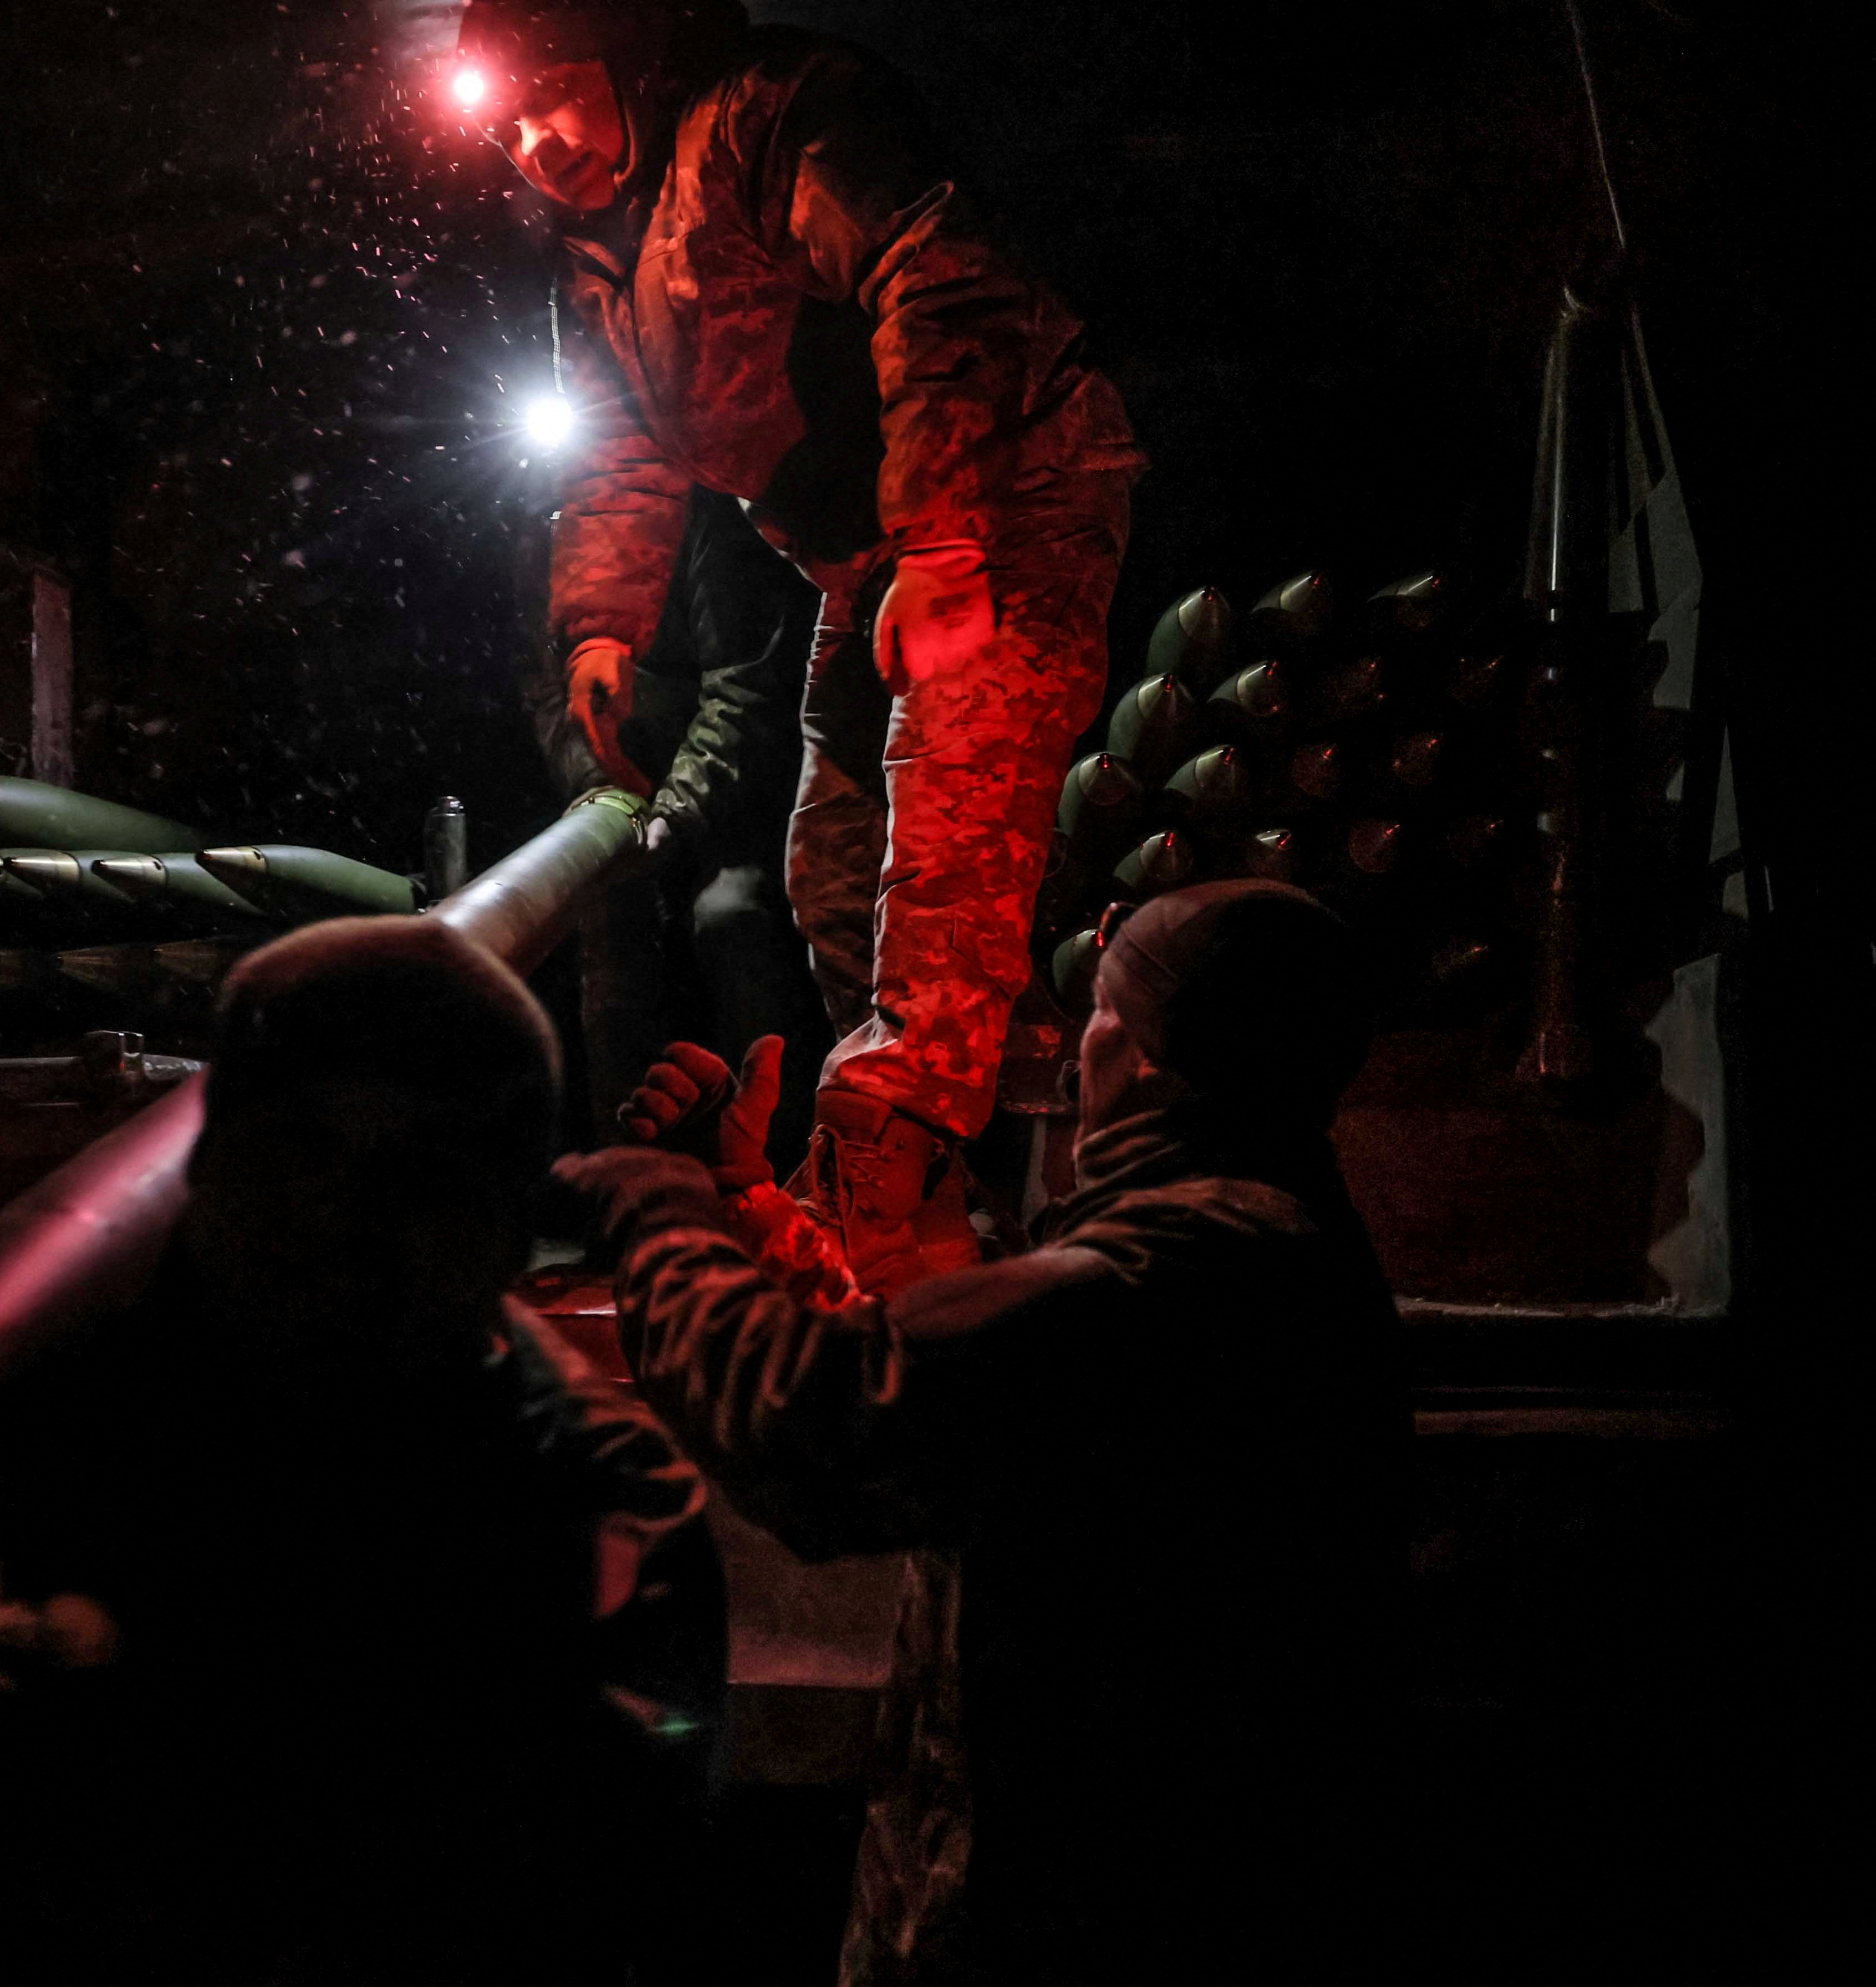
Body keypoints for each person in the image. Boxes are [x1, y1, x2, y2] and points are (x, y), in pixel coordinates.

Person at [0, 916, 723, 1985]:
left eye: (419, 1178)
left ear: (516, 1223)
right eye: (297, 1150)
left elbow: (488, 1899)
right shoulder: (50, 1384)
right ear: (207, 1165)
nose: (339, 1218)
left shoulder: (595, 1497)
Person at [555, 880, 1403, 1981]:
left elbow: (816, 1421)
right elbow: (928, 1363)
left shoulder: (1160, 1283)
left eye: (1101, 1012)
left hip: (1057, 1924)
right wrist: (741, 1196)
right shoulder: (1260, 1245)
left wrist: (665, 1220)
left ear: (1147, 1056)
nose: (1066, 1056)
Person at [457, 0, 1143, 1290]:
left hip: (1003, 496)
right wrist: (602, 622)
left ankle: (934, 1240)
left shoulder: (767, 125)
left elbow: (935, 273)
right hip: (878, 550)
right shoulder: (603, 258)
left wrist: (943, 539)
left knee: (949, 856)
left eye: (553, 91)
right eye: (503, 123)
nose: (535, 141)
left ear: (628, 64)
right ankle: (956, 1203)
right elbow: (616, 444)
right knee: (833, 870)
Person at [533, 484, 830, 1176]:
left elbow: (746, 691)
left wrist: (674, 812)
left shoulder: (710, 520)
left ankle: (778, 1170)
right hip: (626, 801)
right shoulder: (547, 537)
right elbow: (549, 693)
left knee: (734, 920)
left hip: (742, 797)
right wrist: (600, 795)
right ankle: (628, 1189)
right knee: (608, 941)